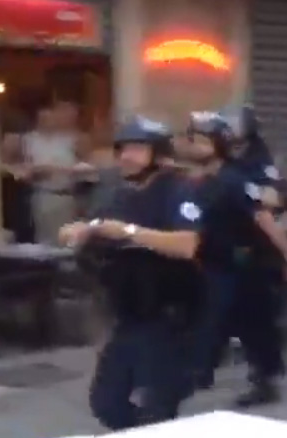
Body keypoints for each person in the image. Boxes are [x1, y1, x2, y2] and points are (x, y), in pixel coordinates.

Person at [60, 116, 203, 430]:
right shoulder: (119, 194)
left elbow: (186, 245)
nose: (126, 156)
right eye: (123, 148)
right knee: (106, 403)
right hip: (129, 316)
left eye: (138, 149)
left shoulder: (179, 191)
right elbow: (99, 224)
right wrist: (81, 230)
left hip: (170, 317)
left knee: (158, 406)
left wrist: (129, 232)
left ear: (159, 154)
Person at [184, 111, 287, 407]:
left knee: (251, 323)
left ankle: (264, 379)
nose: (192, 144)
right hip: (212, 262)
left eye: (201, 139)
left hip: (242, 265)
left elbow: (264, 216)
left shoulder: (233, 180)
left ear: (218, 144)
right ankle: (199, 372)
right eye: (192, 138)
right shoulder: (200, 180)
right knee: (213, 319)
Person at [24, 107, 94, 244]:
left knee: (66, 237)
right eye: (43, 118)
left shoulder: (72, 139)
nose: (47, 121)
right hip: (41, 194)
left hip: (66, 195)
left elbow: (88, 167)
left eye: (50, 117)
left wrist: (57, 169)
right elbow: (21, 166)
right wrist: (32, 171)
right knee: (43, 238)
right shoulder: (29, 140)